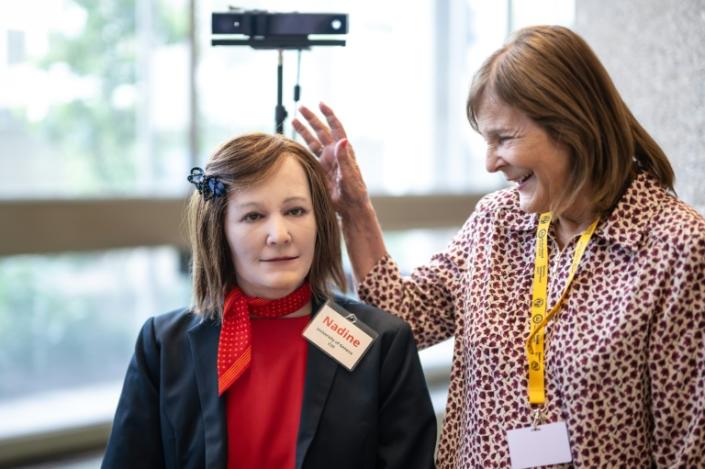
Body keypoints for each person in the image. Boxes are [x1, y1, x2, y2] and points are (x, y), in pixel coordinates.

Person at [292, 25, 705, 468]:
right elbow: (404, 319)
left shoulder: (677, 248)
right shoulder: (497, 220)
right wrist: (354, 208)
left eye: (504, 139)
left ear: (571, 125)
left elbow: (686, 450)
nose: (491, 163)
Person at [102, 133, 437, 469]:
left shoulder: (381, 343)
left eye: (295, 211)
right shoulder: (164, 345)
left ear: (319, 220)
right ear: (219, 230)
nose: (280, 235)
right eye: (253, 216)